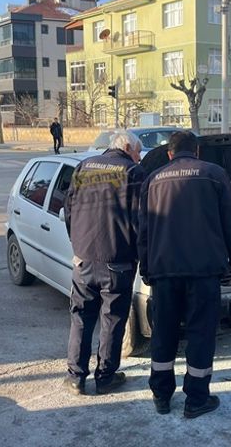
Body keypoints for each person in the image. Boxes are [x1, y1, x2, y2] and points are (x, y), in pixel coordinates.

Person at [139, 131, 231, 418]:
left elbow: (145, 230)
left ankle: (161, 396)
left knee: (164, 332)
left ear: (170, 153)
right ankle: (196, 399)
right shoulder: (214, 174)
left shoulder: (153, 179)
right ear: (197, 151)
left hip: (164, 270)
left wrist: (146, 268)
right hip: (204, 271)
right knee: (201, 334)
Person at [63, 130, 145, 395]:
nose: (139, 158)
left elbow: (69, 210)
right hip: (118, 261)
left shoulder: (83, 167)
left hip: (83, 260)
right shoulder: (133, 173)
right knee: (112, 320)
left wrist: (76, 246)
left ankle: (76, 377)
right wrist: (140, 256)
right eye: (138, 152)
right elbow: (141, 222)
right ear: (129, 147)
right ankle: (105, 377)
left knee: (81, 318)